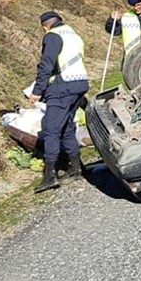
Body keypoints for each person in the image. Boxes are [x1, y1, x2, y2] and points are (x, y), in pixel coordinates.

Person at [29, 11, 90, 193]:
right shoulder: (73, 34)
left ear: (45, 26)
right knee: (66, 127)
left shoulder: (52, 36)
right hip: (80, 83)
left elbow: (47, 64)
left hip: (63, 86)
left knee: (51, 128)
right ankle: (76, 167)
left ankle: (50, 175)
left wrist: (37, 91)